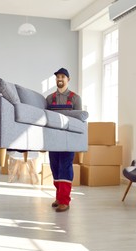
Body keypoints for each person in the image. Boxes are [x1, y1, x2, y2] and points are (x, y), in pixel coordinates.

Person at [45, 68, 82, 212]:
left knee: (64, 168)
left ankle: (64, 201)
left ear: (68, 79)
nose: (60, 79)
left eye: (62, 76)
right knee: (55, 167)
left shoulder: (75, 98)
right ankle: (59, 197)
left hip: (68, 139)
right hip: (53, 138)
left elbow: (79, 120)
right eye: (57, 77)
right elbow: (45, 120)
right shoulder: (49, 99)